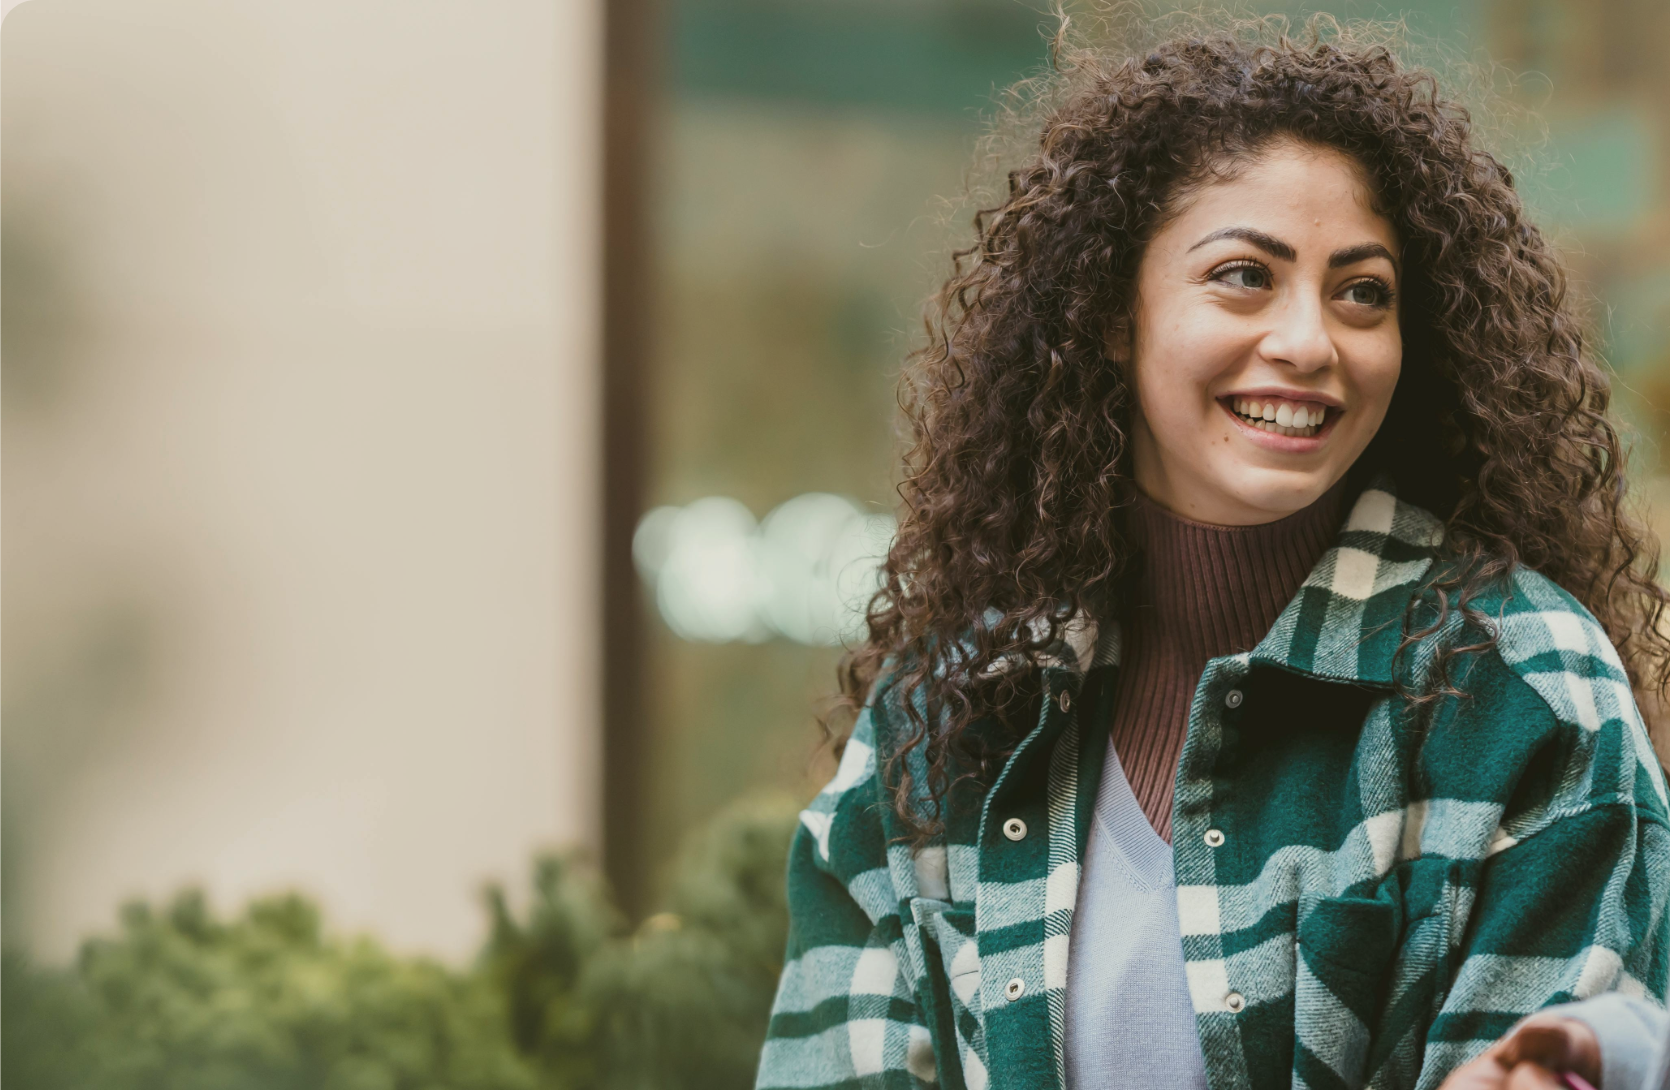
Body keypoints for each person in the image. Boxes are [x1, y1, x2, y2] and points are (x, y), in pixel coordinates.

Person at [754, 17, 1670, 1090]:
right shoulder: (943, 710)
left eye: (1360, 291)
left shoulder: (1519, 690)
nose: (1307, 340)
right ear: (1110, 314)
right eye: (1241, 275)